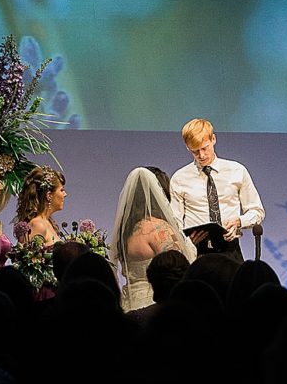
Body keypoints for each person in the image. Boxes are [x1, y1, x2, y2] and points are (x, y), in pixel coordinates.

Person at [169, 118, 265, 262]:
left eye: (204, 148)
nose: (201, 155)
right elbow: (175, 221)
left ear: (213, 139)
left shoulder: (236, 171)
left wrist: (239, 222)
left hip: (230, 250)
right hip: (196, 253)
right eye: (195, 151)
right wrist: (186, 241)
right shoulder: (180, 178)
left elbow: (257, 212)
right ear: (187, 148)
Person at [111, 166, 198, 311]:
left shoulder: (125, 231)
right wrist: (191, 245)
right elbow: (178, 268)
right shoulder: (158, 228)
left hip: (129, 304)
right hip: (155, 305)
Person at [13, 165, 66, 245]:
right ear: (49, 195)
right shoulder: (38, 225)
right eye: (61, 190)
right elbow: (29, 256)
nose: (65, 194)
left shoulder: (48, 223)